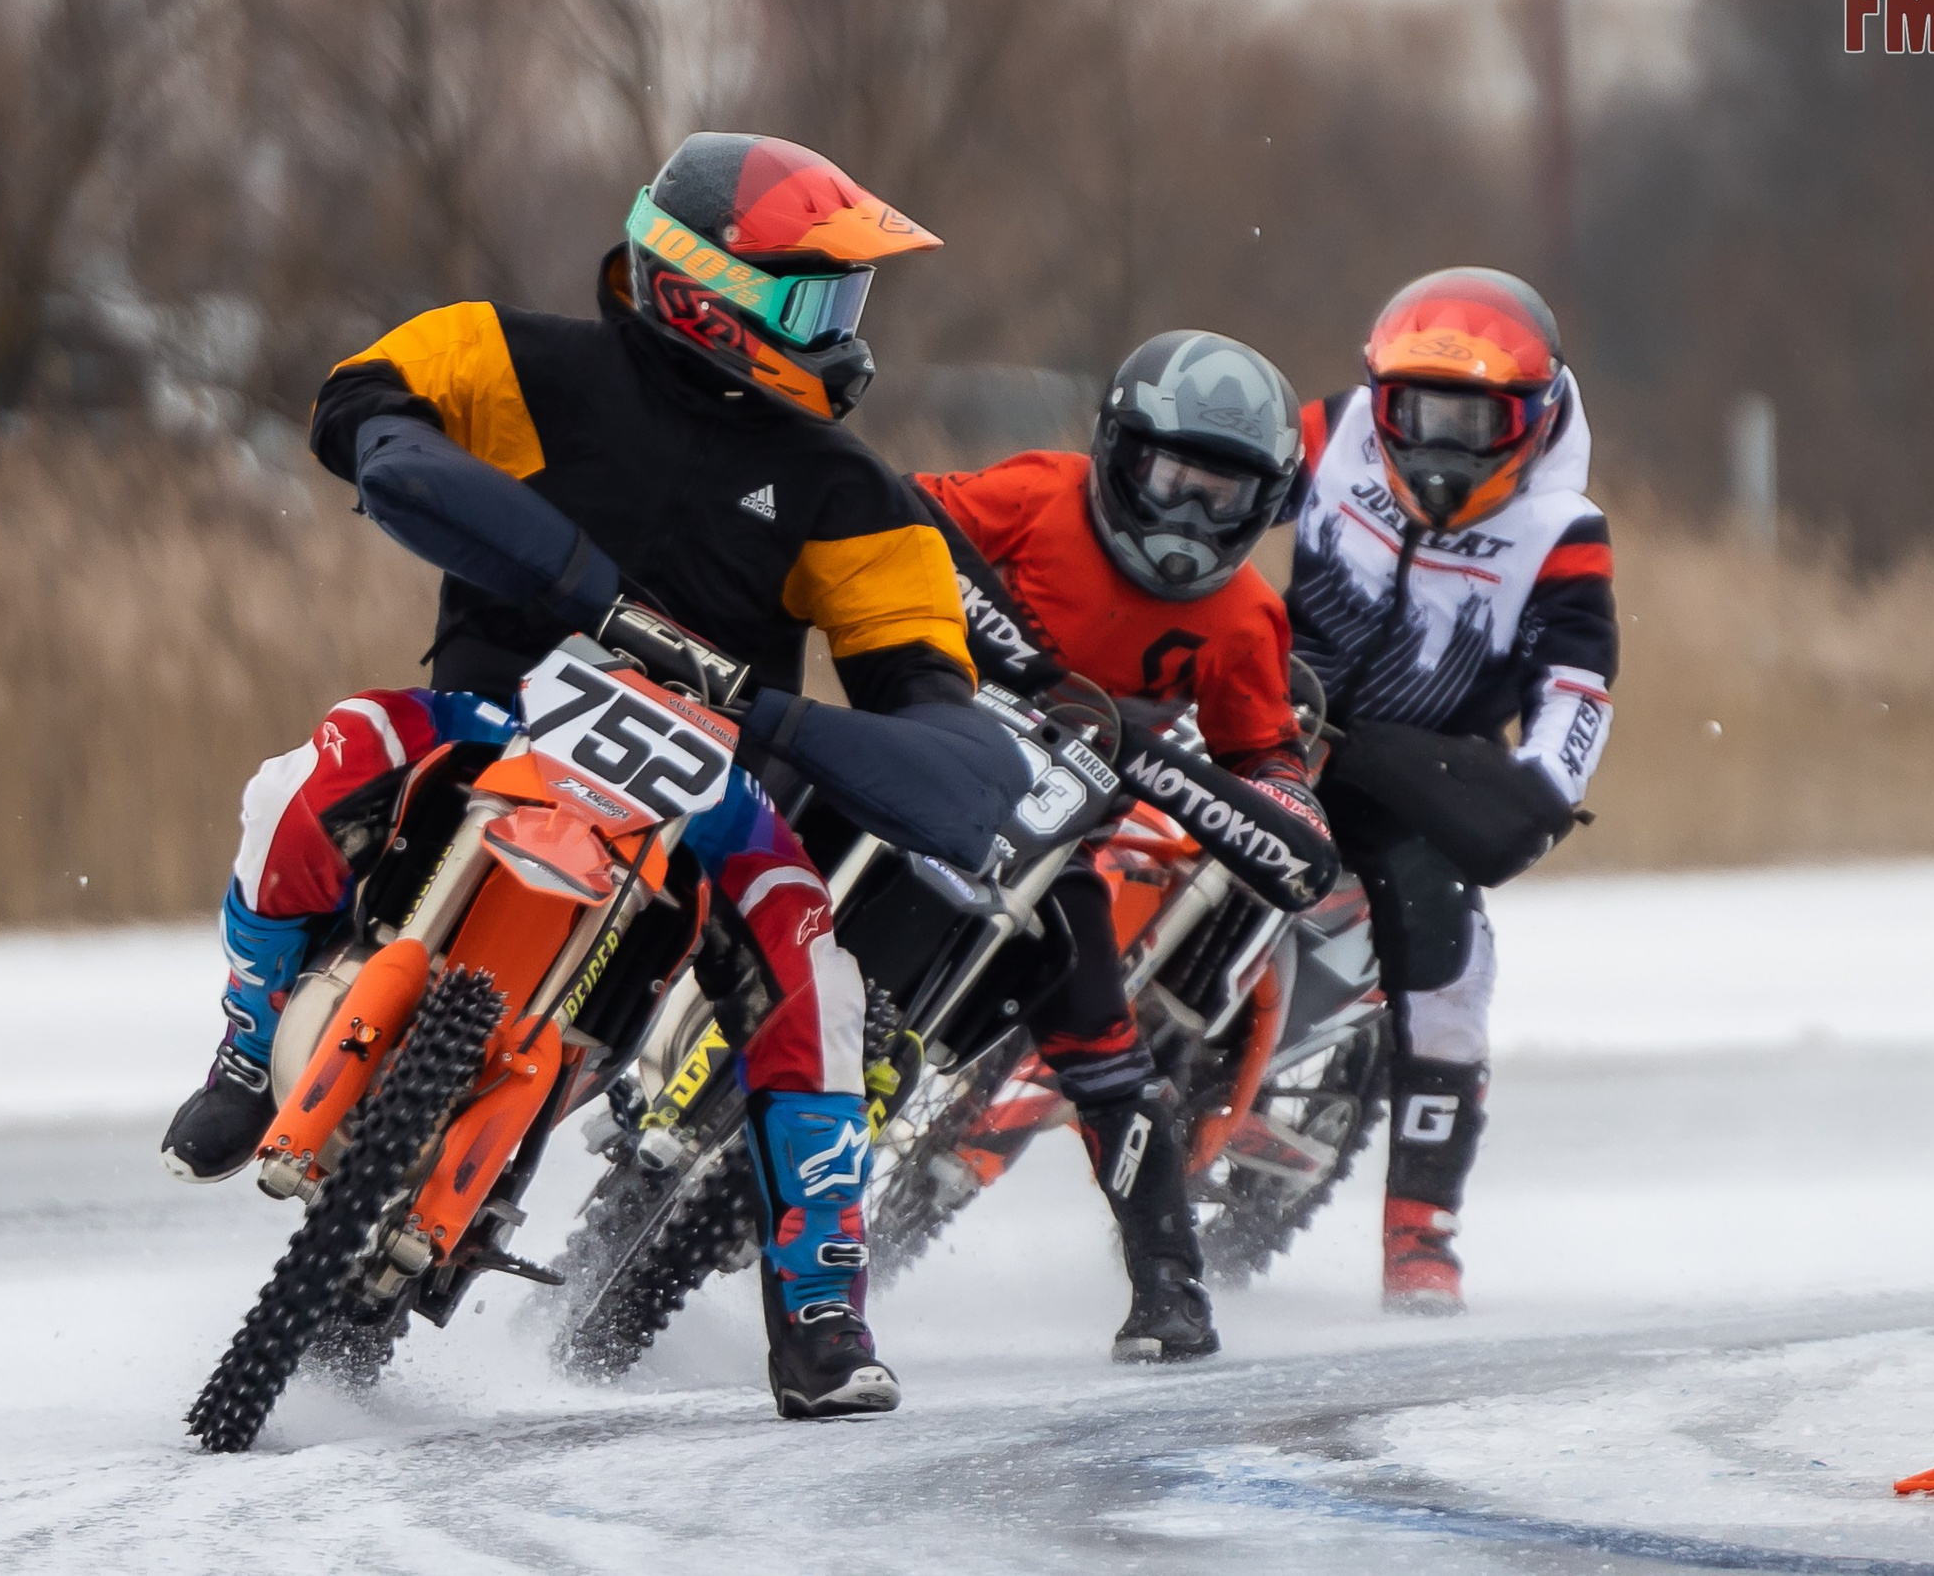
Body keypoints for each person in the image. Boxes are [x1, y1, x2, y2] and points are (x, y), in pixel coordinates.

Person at [160, 132, 1031, 1419]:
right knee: (305, 771)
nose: (841, 334)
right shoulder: (514, 356)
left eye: (845, 303)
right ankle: (248, 1050)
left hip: (706, 776)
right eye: (809, 298)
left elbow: (934, 709)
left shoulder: (859, 498)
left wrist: (781, 716)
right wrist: (548, 564)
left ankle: (820, 1307)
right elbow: (363, 415)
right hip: (488, 710)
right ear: (696, 284)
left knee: (817, 972)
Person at [915, 329, 1332, 1364]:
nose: (1191, 515)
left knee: (1108, 1056)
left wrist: (1289, 810)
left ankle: (1169, 1292)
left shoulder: (1244, 620)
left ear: (1264, 506)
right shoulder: (1033, 496)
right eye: (1173, 479)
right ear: (1117, 449)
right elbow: (900, 516)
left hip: (1061, 855)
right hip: (917, 773)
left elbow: (1266, 757)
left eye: (1223, 495)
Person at [1285, 267, 1619, 1316]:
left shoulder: (1563, 528)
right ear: (1380, 400)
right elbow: (1220, 498)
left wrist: (1540, 786)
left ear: (1530, 416)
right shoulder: (1328, 431)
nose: (1442, 447)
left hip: (1408, 768)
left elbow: (1576, 684)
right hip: (1265, 712)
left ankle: (1420, 1232)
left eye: (1477, 422)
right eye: (1420, 414)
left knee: (1454, 967)